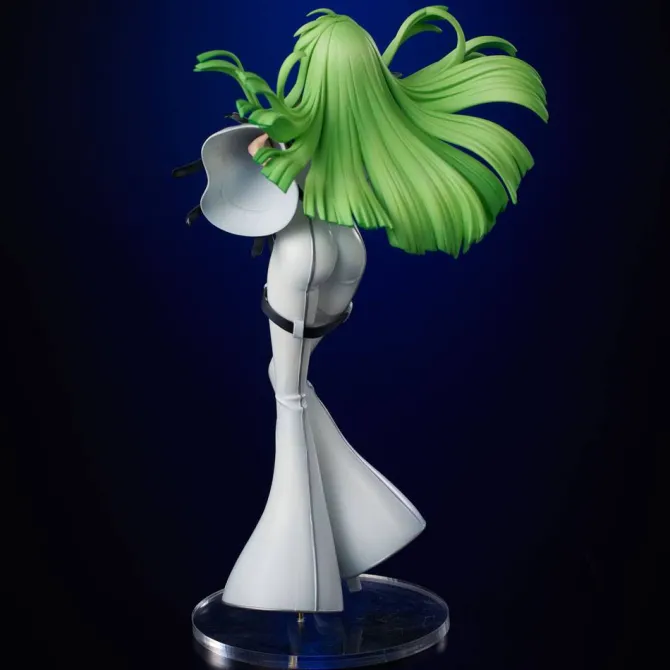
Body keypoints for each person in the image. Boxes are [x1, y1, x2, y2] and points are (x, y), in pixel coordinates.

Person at [191, 6, 548, 613]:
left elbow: (253, 171)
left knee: (287, 393)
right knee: (291, 385)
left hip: (301, 254)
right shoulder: (374, 113)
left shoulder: (296, 124)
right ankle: (350, 539)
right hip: (346, 251)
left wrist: (257, 142)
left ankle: (300, 579)